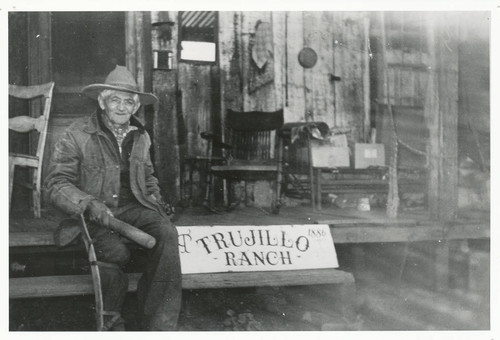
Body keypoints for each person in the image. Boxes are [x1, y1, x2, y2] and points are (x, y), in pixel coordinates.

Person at [44, 65, 181, 331]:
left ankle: (160, 326)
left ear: (136, 107)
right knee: (115, 251)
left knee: (167, 232)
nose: (121, 107)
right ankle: (110, 322)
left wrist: (156, 200)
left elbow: (149, 178)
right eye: (115, 100)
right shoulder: (76, 133)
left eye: (128, 102)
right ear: (102, 101)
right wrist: (87, 202)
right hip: (91, 212)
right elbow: (55, 183)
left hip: (132, 208)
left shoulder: (141, 135)